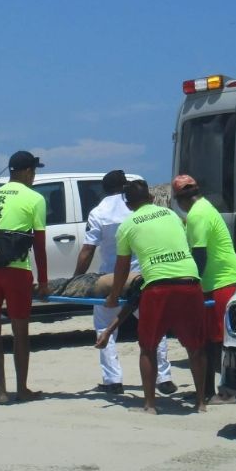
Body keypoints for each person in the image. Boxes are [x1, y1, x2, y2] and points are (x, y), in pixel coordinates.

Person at [105, 180, 207, 414]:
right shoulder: (171, 215)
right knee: (195, 347)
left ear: (128, 205)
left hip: (157, 287)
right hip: (190, 282)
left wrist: (113, 296)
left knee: (148, 348)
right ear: (151, 198)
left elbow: (121, 269)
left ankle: (150, 405)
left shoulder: (127, 225)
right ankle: (201, 403)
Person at [73, 170, 176, 396]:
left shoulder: (98, 212)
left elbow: (88, 250)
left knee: (104, 325)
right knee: (154, 326)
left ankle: (113, 379)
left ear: (104, 189)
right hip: (143, 277)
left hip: (111, 278)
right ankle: (164, 376)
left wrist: (76, 279)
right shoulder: (138, 209)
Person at [0, 150, 50, 405]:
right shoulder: (35, 198)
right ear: (27, 172)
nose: (35, 176)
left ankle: (0, 391)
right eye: (34, 171)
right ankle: (22, 389)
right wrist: (44, 281)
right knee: (20, 330)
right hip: (16, 269)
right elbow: (39, 244)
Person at [172, 174, 236, 404]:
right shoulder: (204, 208)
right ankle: (206, 391)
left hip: (222, 282)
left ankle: (226, 392)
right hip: (217, 281)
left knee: (219, 342)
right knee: (209, 340)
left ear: (179, 200)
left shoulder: (197, 215)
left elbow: (200, 257)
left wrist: (189, 287)